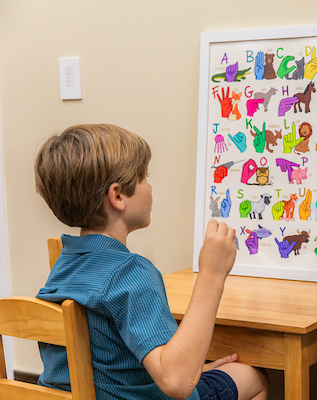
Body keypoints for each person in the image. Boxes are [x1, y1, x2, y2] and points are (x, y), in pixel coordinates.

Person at [34, 124, 268, 400]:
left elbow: (113, 359)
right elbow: (176, 382)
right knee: (253, 377)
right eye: (143, 177)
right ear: (118, 196)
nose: (151, 186)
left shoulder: (65, 264)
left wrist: (193, 370)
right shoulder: (130, 273)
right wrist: (213, 273)